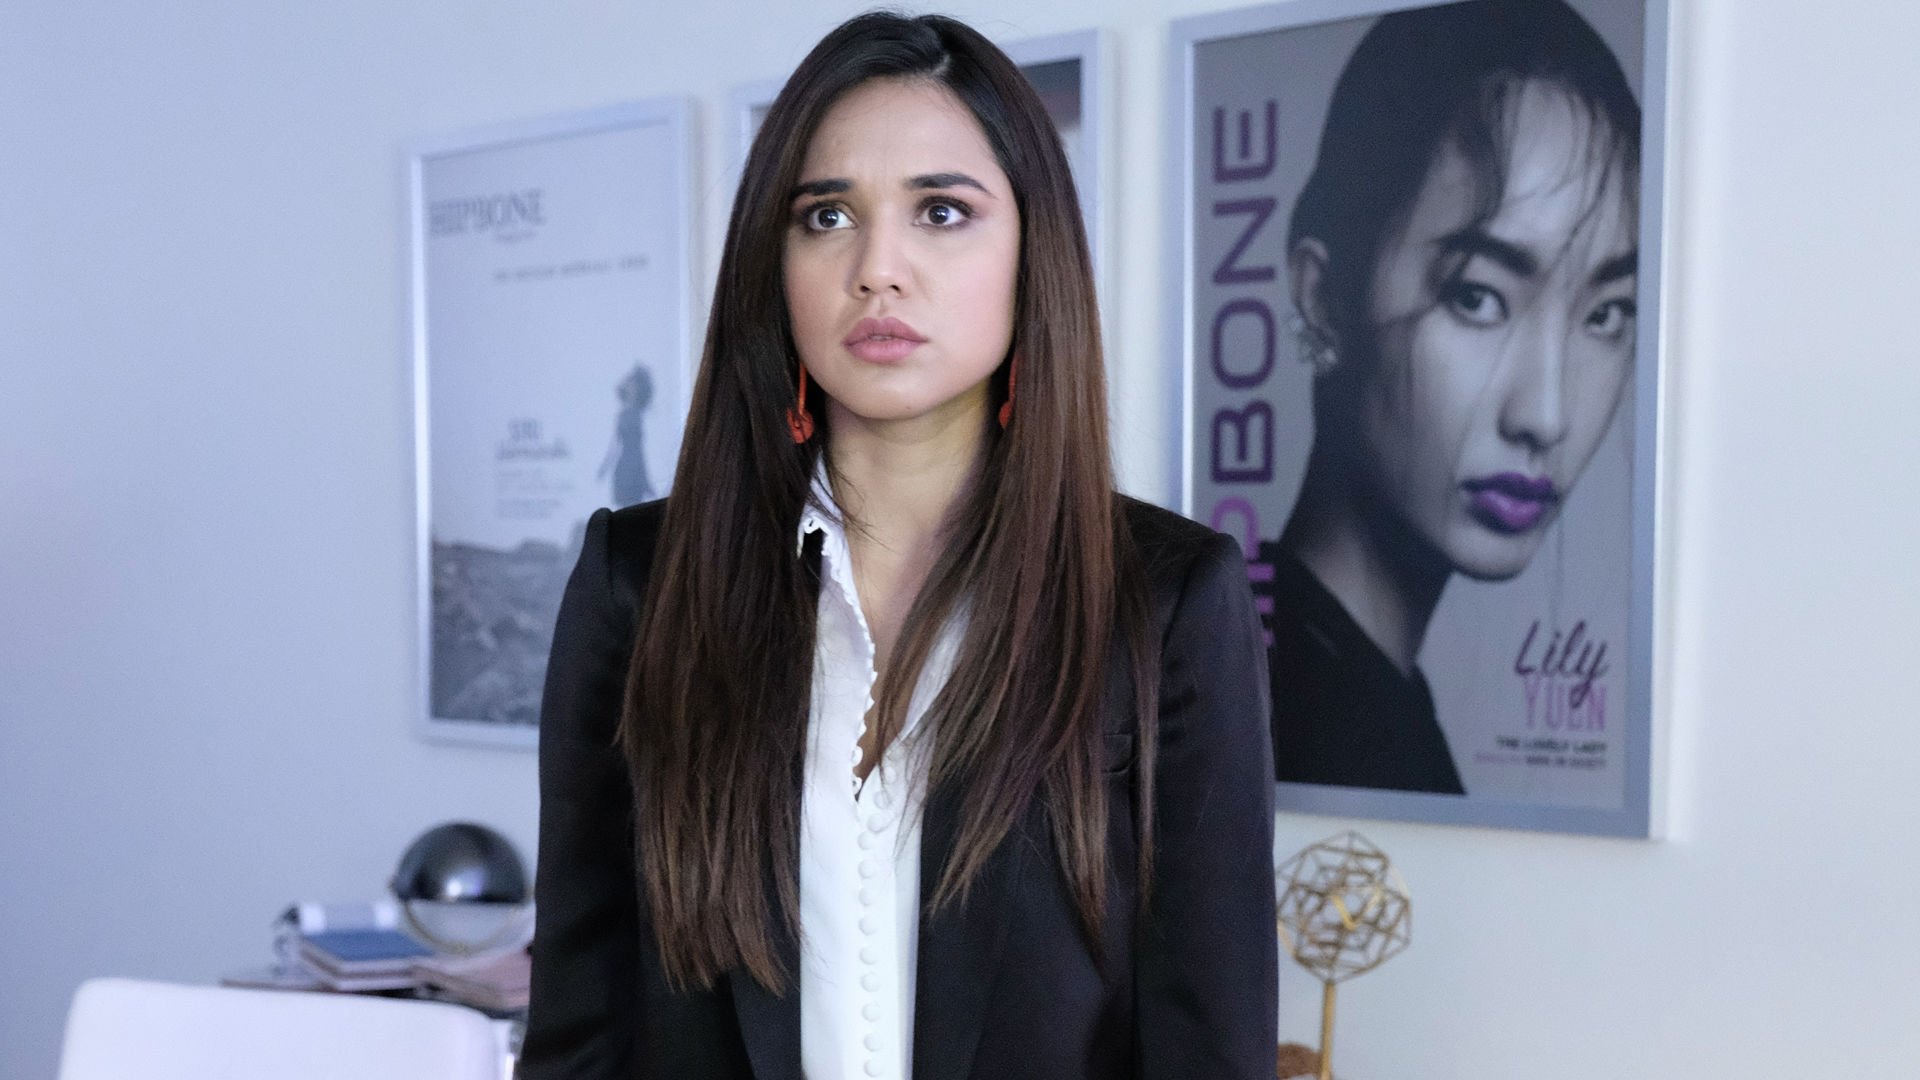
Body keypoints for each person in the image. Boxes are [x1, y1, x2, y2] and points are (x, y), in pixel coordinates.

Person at [519, 12, 1276, 1080]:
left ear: (1032, 253)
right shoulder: (638, 584)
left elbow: (1210, 1046)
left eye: (941, 211)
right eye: (827, 216)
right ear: (774, 263)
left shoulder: (1162, 600)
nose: (879, 269)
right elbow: (579, 1032)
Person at [1258, 0, 1641, 795]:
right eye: (1476, 296)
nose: (1545, 415)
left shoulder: (1366, 700)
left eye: (1606, 314)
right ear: (1324, 297)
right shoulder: (1298, 715)